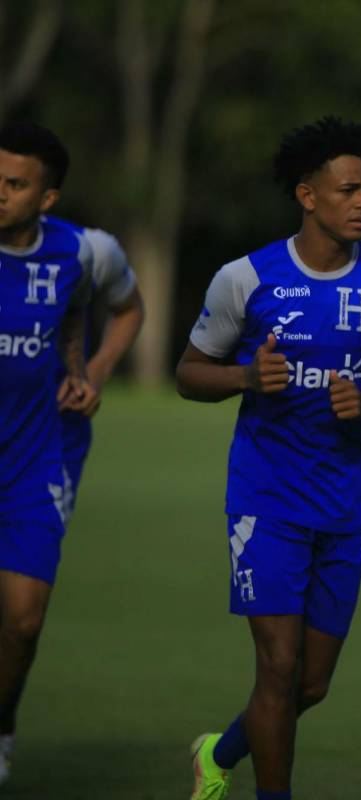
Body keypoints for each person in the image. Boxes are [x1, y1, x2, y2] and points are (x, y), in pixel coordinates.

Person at [177, 117, 361, 800]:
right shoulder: (246, 278)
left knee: (311, 684)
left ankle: (219, 750)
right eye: (348, 190)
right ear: (307, 195)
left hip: (344, 501)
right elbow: (189, 373)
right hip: (266, 498)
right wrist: (245, 379)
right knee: (278, 666)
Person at [0, 121, 97, 785]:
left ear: (47, 199)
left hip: (34, 460)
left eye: (14, 184)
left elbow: (118, 309)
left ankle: (2, 722)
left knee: (24, 621)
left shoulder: (79, 253)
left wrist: (86, 370)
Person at [50, 217, 145, 521]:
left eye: (14, 183)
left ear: (48, 195)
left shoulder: (88, 249)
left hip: (53, 439)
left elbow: (129, 309)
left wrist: (97, 372)